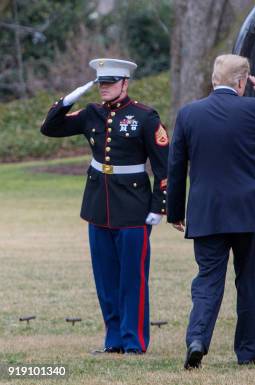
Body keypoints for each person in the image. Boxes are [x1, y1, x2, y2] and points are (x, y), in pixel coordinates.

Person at [166, 54, 255, 369]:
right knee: (248, 281)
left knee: (208, 281)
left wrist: (175, 211)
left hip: (207, 212)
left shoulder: (188, 114)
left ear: (214, 80)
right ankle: (247, 352)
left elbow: (175, 166)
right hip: (248, 212)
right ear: (242, 82)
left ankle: (197, 339)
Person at [40, 58, 169, 355]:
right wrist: (68, 99)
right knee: (106, 280)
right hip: (99, 206)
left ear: (125, 83)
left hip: (134, 209)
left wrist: (159, 206)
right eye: (101, 84)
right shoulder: (91, 114)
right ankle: (113, 341)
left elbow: (165, 167)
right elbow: (50, 128)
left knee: (132, 279)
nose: (104, 89)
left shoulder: (145, 117)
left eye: (110, 83)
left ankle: (133, 342)